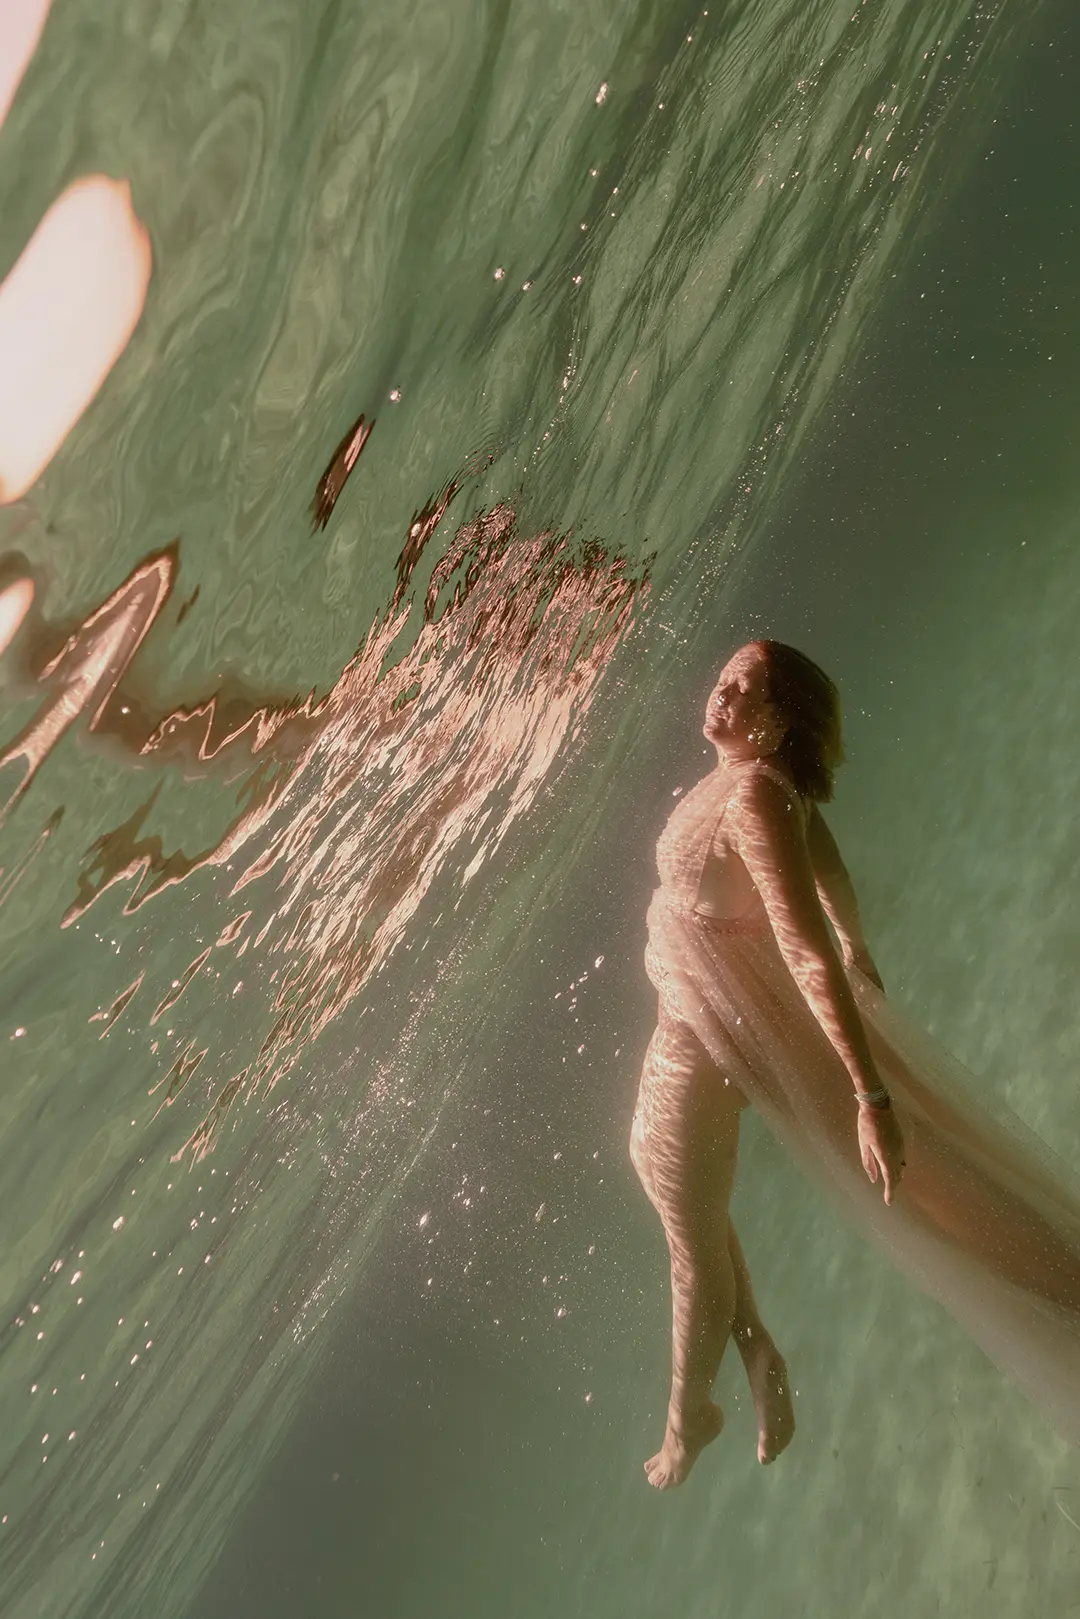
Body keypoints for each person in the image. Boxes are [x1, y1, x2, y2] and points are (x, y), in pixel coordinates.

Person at [631, 640, 1080, 1489]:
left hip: (701, 1060)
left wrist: (870, 1090)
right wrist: (858, 934)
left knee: (691, 1243)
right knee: (672, 1193)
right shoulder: (755, 786)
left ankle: (688, 1418)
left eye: (744, 686)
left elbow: (803, 952)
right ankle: (758, 1352)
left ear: (777, 718)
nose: (721, 691)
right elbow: (827, 865)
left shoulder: (755, 797)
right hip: (690, 1044)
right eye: (725, 675)